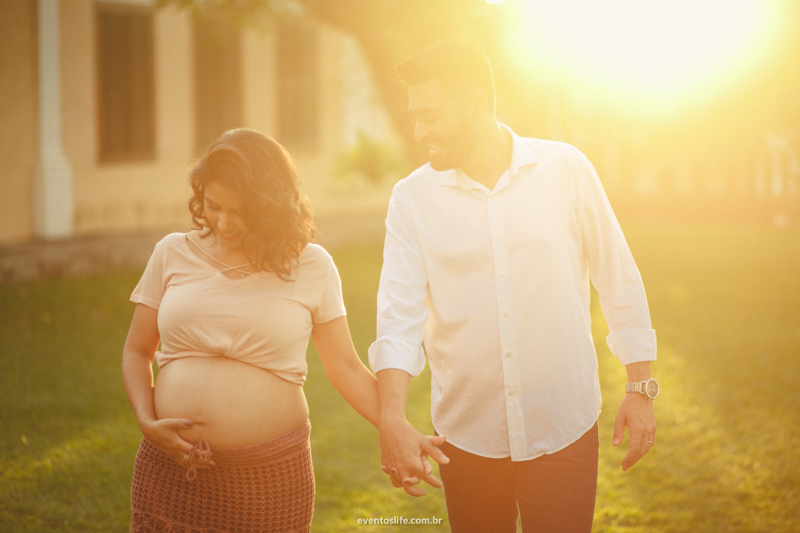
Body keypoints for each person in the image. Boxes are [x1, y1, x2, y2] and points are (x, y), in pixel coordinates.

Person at [370, 41, 659, 532]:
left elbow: (618, 277)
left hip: (563, 428)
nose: (420, 131)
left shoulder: (566, 170)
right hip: (465, 439)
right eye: (415, 117)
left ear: (477, 104)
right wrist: (392, 418)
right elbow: (399, 316)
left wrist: (640, 388)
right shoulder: (411, 199)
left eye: (432, 116)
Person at [121, 128, 442, 533]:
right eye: (213, 205)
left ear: (271, 205)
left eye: (240, 211)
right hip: (171, 470)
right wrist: (147, 421)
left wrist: (397, 430)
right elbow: (137, 352)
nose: (224, 221)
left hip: (269, 478)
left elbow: (343, 367)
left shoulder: (311, 266)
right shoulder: (171, 253)